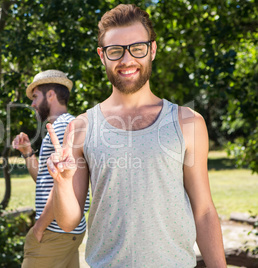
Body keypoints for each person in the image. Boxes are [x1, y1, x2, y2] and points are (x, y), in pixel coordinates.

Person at [46, 4, 227, 267]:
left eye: (137, 48)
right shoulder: (82, 127)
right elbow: (68, 221)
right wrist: (62, 183)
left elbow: (204, 211)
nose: (127, 60)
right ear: (102, 56)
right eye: (115, 51)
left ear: (152, 50)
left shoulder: (188, 123)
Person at [13, 70, 89, 268]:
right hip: (66, 232)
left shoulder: (65, 127)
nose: (32, 104)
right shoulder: (60, 127)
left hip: (54, 232)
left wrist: (39, 227)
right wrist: (28, 152)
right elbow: (46, 180)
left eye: (35, 96)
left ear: (51, 95)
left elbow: (65, 184)